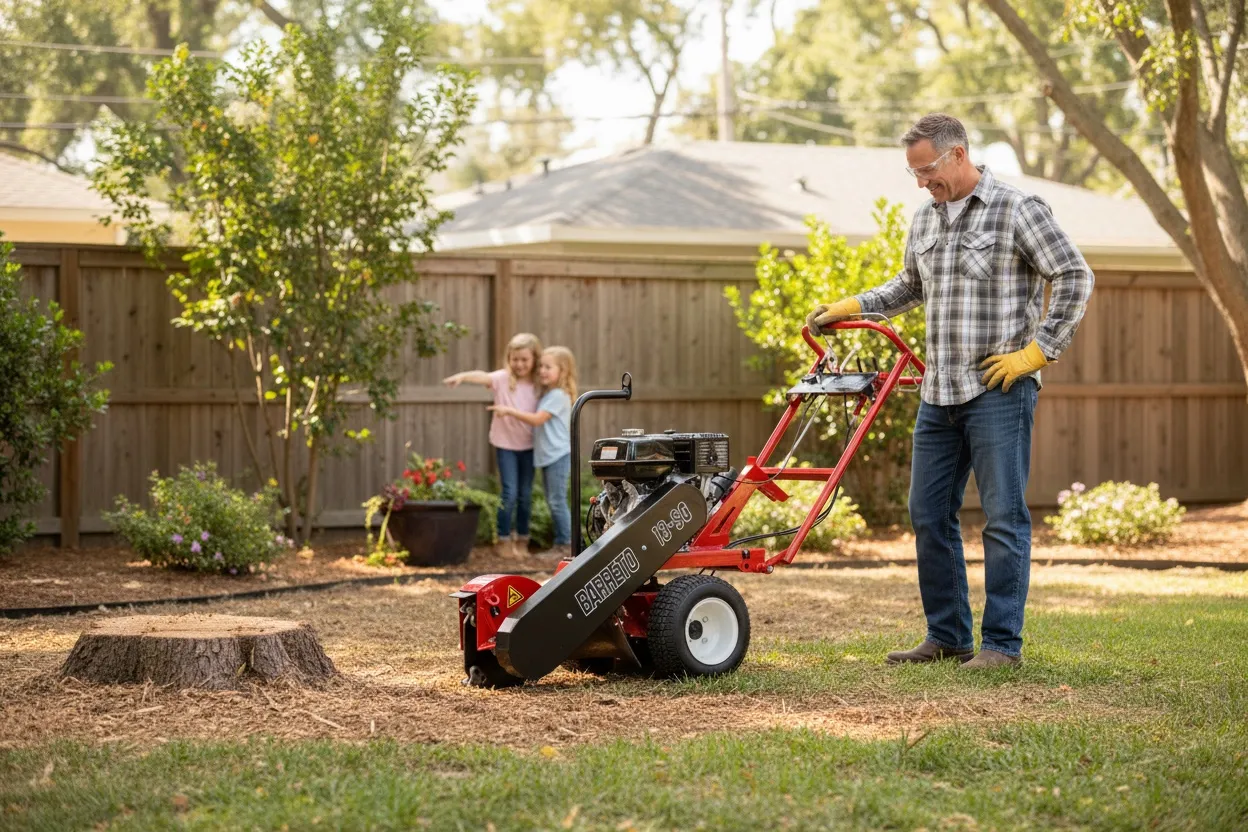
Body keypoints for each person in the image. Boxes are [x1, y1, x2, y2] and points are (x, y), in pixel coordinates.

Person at [806, 113, 1094, 669]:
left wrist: (1039, 352)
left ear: (958, 154)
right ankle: (949, 635)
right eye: (913, 173)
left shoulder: (1018, 209)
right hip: (939, 392)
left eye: (927, 170)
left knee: (1004, 517)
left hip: (998, 388)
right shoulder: (925, 217)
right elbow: (907, 286)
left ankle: (1001, 646)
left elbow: (1075, 275)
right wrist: (853, 306)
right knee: (927, 513)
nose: (921, 182)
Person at [443, 333, 543, 556]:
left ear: (535, 359)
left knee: (525, 495)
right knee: (509, 492)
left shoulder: (539, 385)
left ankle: (522, 540)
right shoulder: (502, 379)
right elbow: (482, 376)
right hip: (506, 444)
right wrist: (462, 376)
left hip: (529, 446)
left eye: (524, 360)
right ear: (509, 359)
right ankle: (503, 540)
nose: (519, 364)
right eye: (514, 359)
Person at [489, 346, 577, 559]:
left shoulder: (558, 395)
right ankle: (563, 544)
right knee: (553, 500)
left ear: (563, 371)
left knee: (557, 501)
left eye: (548, 367)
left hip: (558, 455)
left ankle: (566, 545)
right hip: (548, 456)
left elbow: (538, 419)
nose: (542, 371)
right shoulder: (549, 393)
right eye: (542, 367)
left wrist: (508, 410)